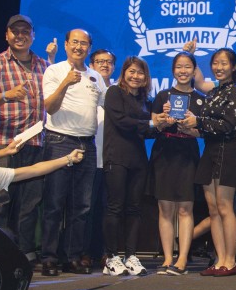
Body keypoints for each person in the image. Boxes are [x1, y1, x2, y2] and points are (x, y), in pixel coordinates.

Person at [0, 14, 49, 265]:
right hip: (2, 143)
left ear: (33, 36)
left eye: (25, 31)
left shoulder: (43, 66)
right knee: (0, 201)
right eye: (15, 31)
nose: (20, 36)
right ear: (7, 35)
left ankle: (24, 253)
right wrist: (6, 96)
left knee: (30, 202)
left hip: (35, 143)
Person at [39, 28, 106, 276]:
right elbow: (50, 107)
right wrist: (66, 83)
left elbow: (105, 107)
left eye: (84, 43)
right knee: (55, 204)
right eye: (74, 42)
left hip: (87, 145)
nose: (79, 47)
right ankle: (48, 258)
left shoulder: (95, 77)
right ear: (66, 45)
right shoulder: (54, 71)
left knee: (82, 207)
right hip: (59, 142)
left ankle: (73, 257)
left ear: (89, 47)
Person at [180, 49, 236, 277]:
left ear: (233, 66)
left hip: (229, 151)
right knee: (214, 210)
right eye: (215, 63)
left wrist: (198, 120)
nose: (218, 67)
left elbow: (227, 125)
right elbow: (209, 130)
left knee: (226, 207)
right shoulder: (213, 92)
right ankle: (219, 260)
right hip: (210, 151)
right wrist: (190, 130)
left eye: (223, 63)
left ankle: (230, 260)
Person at [150, 51, 206, 275]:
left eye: (187, 67)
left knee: (185, 209)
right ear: (173, 70)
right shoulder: (163, 96)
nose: (183, 71)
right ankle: (166, 258)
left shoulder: (201, 98)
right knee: (165, 209)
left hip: (188, 154)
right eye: (178, 67)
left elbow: (204, 133)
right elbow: (154, 125)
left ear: (194, 70)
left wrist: (189, 127)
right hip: (164, 153)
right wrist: (163, 120)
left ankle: (182, 259)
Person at [101, 56, 156, 277]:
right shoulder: (114, 93)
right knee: (115, 207)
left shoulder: (146, 101)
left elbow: (147, 131)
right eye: (131, 71)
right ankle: (111, 257)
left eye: (140, 73)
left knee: (134, 208)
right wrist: (150, 122)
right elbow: (122, 122)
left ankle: (131, 255)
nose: (135, 76)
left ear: (145, 77)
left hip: (138, 160)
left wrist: (163, 122)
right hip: (117, 158)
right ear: (124, 73)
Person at [88, 48, 116, 267]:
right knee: (87, 208)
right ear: (92, 65)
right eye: (100, 61)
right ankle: (85, 251)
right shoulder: (86, 88)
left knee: (108, 209)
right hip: (89, 158)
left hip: (112, 161)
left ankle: (107, 252)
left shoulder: (118, 91)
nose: (104, 65)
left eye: (108, 62)